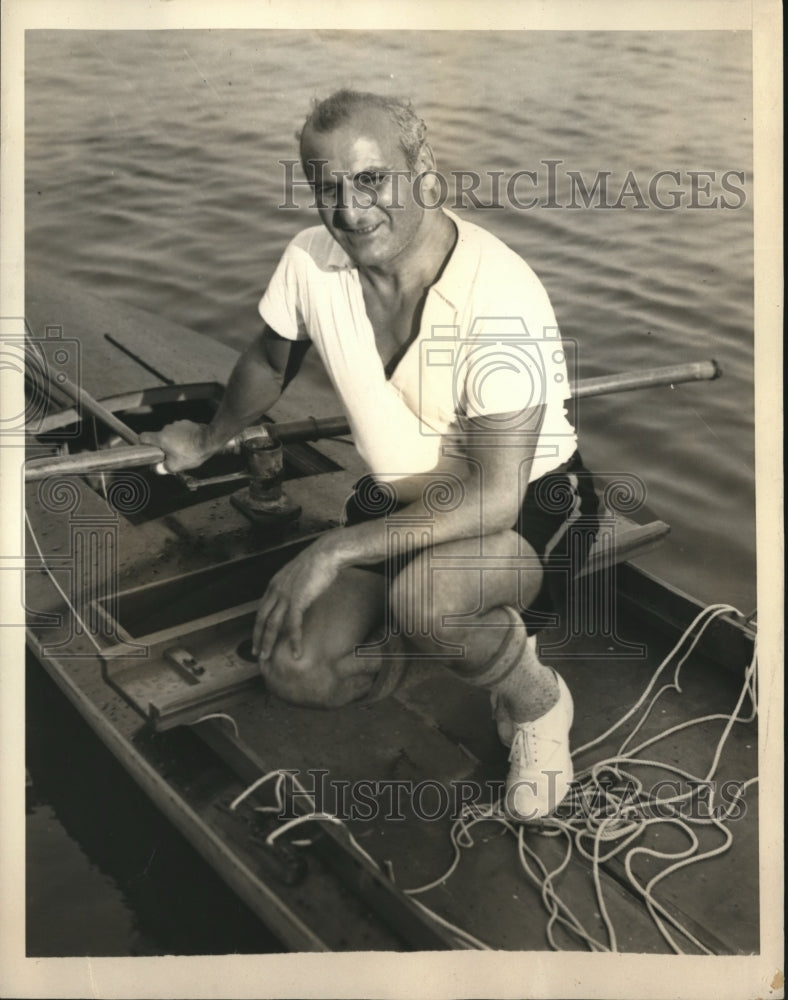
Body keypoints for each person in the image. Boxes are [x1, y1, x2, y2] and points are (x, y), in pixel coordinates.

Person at [141, 90, 599, 821]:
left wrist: (332, 553)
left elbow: (493, 495)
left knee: (426, 600)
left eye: (371, 180)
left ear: (425, 174)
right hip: (401, 502)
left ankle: (537, 702)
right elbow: (268, 354)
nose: (350, 211)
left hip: (530, 501)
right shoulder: (309, 262)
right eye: (328, 188)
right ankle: (440, 637)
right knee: (297, 669)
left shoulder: (498, 297)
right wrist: (209, 435)